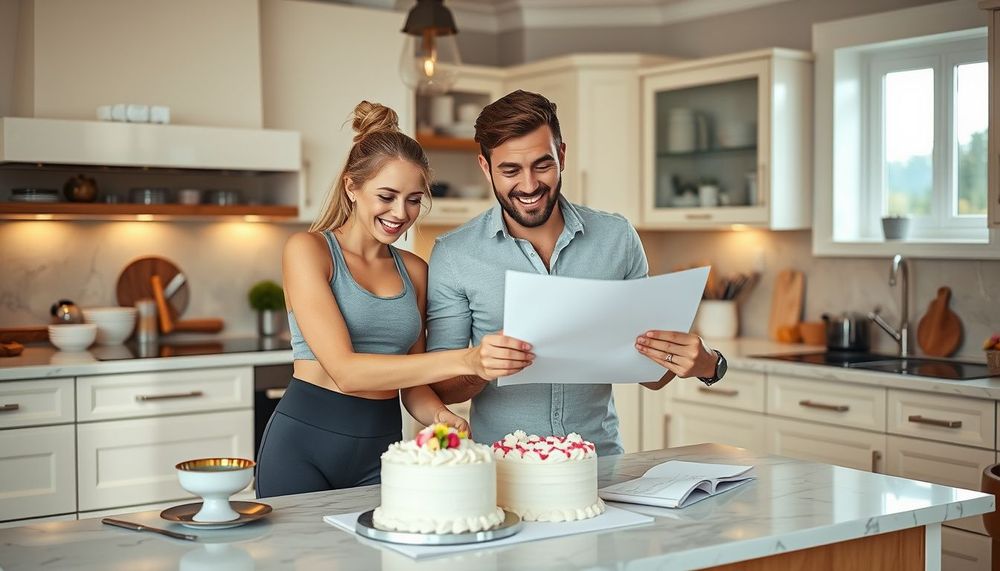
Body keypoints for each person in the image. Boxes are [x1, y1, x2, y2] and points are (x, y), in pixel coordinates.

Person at [255, 101, 534, 498]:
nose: (400, 213)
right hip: (303, 446)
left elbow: (412, 381)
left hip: (381, 449)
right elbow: (346, 372)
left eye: (414, 199)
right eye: (386, 196)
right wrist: (469, 358)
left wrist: (440, 415)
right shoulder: (309, 251)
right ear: (352, 186)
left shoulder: (415, 270)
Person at [427, 90, 728, 456]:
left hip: (600, 464)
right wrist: (480, 366)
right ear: (485, 167)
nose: (529, 185)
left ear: (562, 156)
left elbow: (649, 371)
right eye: (510, 170)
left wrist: (703, 362)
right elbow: (441, 388)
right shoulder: (455, 254)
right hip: (501, 469)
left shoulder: (617, 238)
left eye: (542, 165)